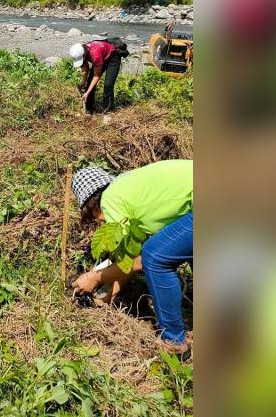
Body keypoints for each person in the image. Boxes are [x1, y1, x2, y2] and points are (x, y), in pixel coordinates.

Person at [71, 159, 193, 355]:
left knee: (155, 257)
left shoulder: (110, 200)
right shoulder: (128, 192)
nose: (101, 222)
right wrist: (108, 296)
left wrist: (94, 278)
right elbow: (130, 259)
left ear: (93, 206)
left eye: (94, 219)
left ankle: (174, 344)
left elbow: (139, 262)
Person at [70, 37, 127, 114]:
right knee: (89, 82)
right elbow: (85, 70)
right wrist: (82, 84)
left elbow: (96, 76)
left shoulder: (94, 54)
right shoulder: (82, 52)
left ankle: (108, 110)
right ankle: (89, 108)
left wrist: (87, 93)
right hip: (102, 56)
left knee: (108, 84)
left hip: (113, 56)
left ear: (84, 54)